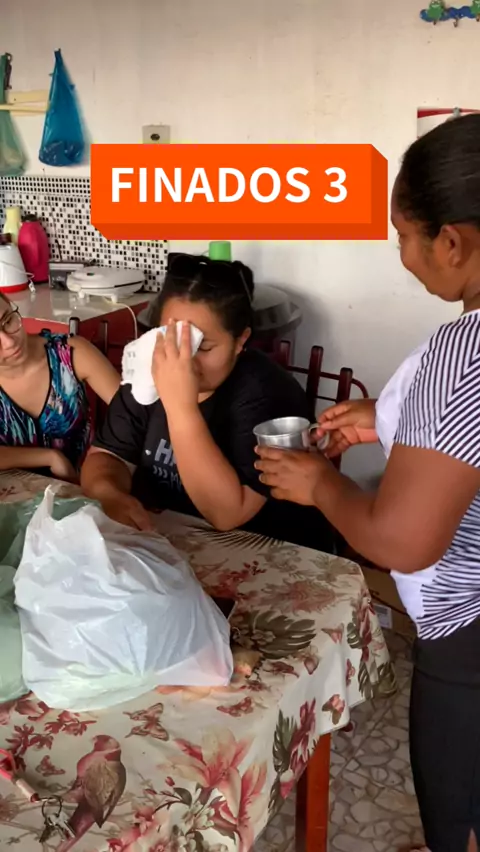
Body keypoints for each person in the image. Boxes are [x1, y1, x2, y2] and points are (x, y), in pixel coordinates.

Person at [255, 113, 480, 852]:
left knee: (462, 808)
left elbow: (403, 543)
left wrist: (321, 484)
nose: (401, 254)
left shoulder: (462, 353)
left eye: (403, 235)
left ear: (452, 241)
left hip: (469, 636)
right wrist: (391, 417)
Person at [81, 254, 333, 548]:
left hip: (268, 551)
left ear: (240, 341)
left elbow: (227, 514)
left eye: (204, 347)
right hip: (173, 541)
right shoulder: (149, 373)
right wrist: (108, 493)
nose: (185, 360)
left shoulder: (269, 395)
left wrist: (180, 406)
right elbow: (107, 457)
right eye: (174, 340)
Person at [0, 293, 120, 481]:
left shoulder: (70, 354)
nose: (9, 342)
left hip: (84, 488)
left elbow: (135, 418)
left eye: (7, 321)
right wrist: (50, 458)